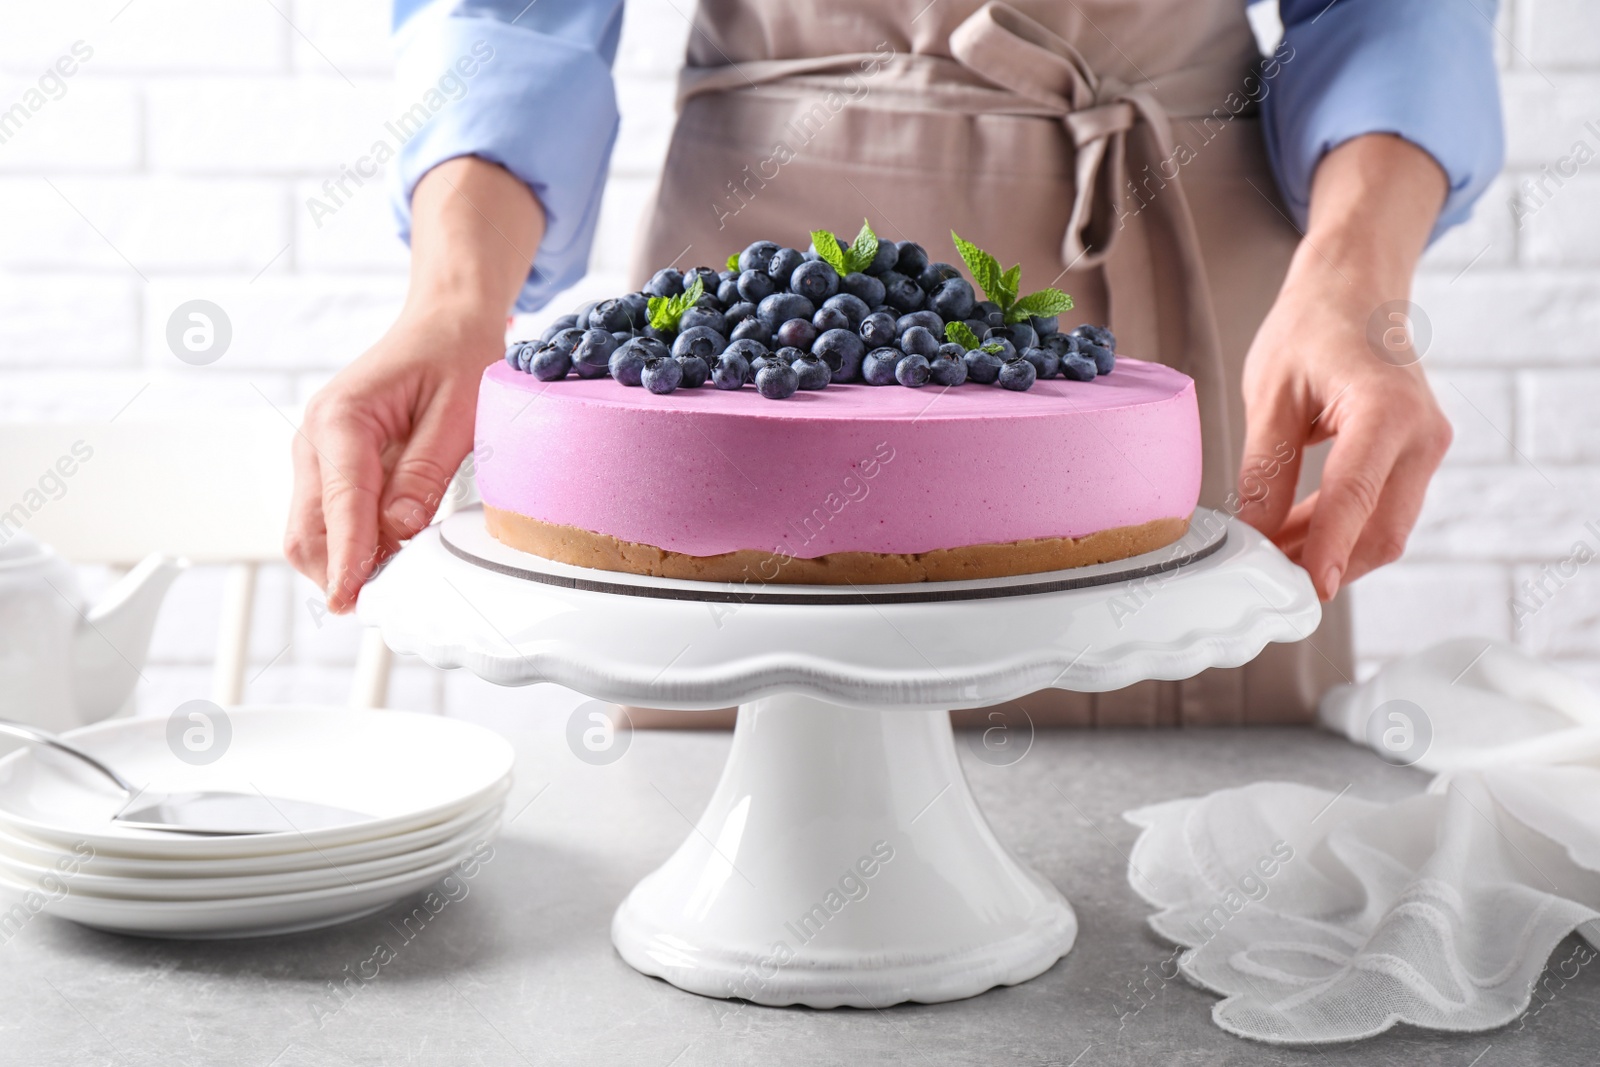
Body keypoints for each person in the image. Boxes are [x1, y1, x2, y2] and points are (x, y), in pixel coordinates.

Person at [285, 0, 1502, 724]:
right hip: (757, 254)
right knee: (751, 803)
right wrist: (454, 295)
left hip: (1184, 255)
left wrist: (1357, 280)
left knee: (1184, 838)